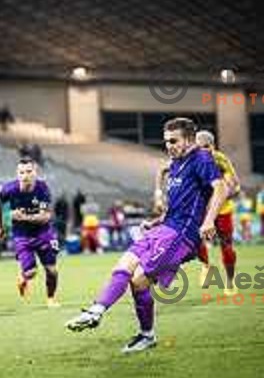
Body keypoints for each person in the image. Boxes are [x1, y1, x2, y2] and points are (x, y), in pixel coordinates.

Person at [66, 118, 228, 353]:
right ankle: (96, 311)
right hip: (165, 227)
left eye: (174, 141)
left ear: (190, 140)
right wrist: (157, 220)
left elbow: (220, 187)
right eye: (166, 142)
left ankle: (144, 334)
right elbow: (180, 202)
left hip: (182, 234)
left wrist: (209, 220)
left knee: (139, 279)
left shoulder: (201, 159)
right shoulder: (175, 164)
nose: (169, 146)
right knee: (124, 266)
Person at [0, 157, 59, 306]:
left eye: (29, 171)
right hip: (21, 235)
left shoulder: (42, 189)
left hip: (44, 233)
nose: (25, 176)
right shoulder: (9, 189)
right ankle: (23, 278)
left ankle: (51, 299)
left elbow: (45, 217)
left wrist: (23, 216)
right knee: (31, 273)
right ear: (17, 174)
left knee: (51, 270)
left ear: (35, 172)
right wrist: (0, 227)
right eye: (22, 172)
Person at [193, 130, 241, 291]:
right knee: (196, 242)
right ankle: (206, 266)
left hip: (222, 210)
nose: (203, 151)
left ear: (213, 146)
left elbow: (235, 186)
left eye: (206, 147)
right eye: (199, 148)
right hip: (201, 210)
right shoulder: (191, 160)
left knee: (226, 245)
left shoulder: (221, 159)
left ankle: (230, 281)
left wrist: (224, 193)